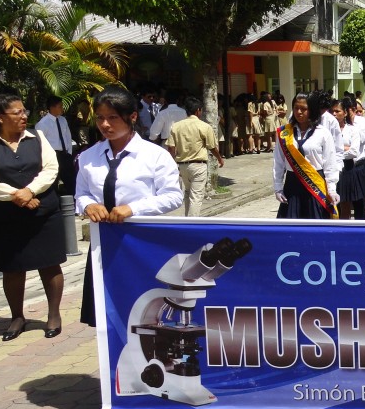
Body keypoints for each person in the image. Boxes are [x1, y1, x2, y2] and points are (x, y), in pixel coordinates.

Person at [76, 87, 184, 327]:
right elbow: (81, 194)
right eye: (100, 118)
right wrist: (88, 205)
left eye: (112, 117)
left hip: (142, 244)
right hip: (103, 244)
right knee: (105, 313)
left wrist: (134, 208)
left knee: (143, 312)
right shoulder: (88, 157)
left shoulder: (154, 155)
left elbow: (173, 196)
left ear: (132, 117)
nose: (105, 124)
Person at [0, 94, 66, 340]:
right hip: (4, 215)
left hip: (43, 212)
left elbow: (51, 169)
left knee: (49, 263)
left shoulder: (38, 137)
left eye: (24, 111)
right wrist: (17, 195)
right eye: (18, 113)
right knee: (12, 268)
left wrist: (30, 191)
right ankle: (17, 316)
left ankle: (53, 315)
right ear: (0, 118)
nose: (24, 116)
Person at [274, 93, 339, 219]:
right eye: (296, 108)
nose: (299, 112)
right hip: (292, 185)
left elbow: (330, 164)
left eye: (303, 109)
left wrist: (331, 189)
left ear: (312, 110)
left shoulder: (323, 133)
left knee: (316, 226)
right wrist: (278, 187)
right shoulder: (284, 133)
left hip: (315, 185)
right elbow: (279, 162)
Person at [166, 96, 224, 216]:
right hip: (198, 165)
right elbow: (212, 147)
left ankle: (187, 218)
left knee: (187, 193)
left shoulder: (176, 126)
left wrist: (173, 162)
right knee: (196, 196)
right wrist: (219, 158)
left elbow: (171, 147)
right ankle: (192, 222)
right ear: (198, 110)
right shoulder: (204, 126)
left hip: (182, 165)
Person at [35, 95, 77, 196]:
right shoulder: (43, 123)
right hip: (53, 155)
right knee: (53, 181)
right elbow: (40, 142)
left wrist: (69, 152)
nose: (62, 108)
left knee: (71, 180)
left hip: (65, 154)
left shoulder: (63, 120)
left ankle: (74, 202)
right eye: (60, 106)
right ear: (52, 107)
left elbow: (67, 136)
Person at [335, 98, 365, 219]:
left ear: (344, 113)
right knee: (339, 205)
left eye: (337, 111)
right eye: (332, 111)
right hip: (334, 169)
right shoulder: (327, 131)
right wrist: (343, 149)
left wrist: (335, 152)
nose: (334, 114)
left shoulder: (352, 129)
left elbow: (354, 151)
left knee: (352, 203)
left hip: (349, 169)